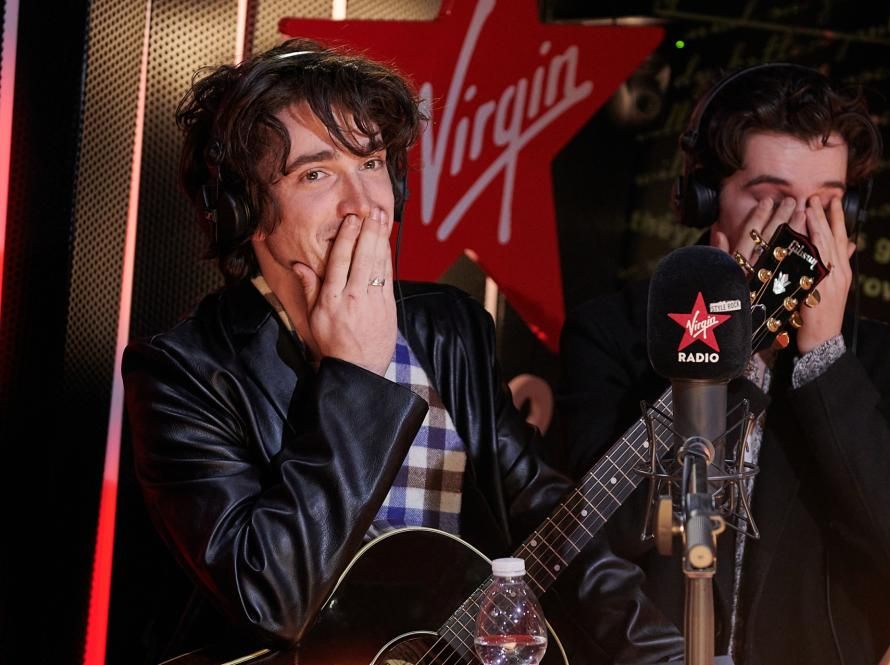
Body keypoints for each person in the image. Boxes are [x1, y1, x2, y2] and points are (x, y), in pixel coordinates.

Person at [121, 39, 684, 664]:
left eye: (370, 164)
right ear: (244, 209)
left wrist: (665, 656)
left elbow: (548, 516)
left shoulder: (448, 328)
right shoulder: (184, 374)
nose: (363, 204)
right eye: (315, 173)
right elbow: (271, 598)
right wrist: (355, 375)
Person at [556, 63, 890, 665]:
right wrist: (729, 347)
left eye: (825, 203)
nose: (801, 228)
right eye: (771, 199)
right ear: (707, 201)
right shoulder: (612, 331)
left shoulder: (874, 358)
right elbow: (603, 533)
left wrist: (824, 359)